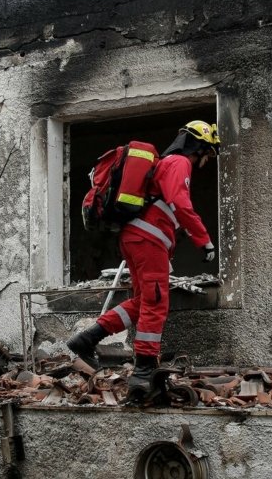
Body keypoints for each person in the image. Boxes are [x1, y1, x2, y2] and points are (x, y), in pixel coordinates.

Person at [67, 120, 220, 398]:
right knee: (156, 301)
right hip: (148, 241)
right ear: (198, 147)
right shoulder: (178, 163)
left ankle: (87, 339)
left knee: (142, 302)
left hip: (136, 239)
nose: (206, 161)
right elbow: (181, 203)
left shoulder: (165, 164)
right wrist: (204, 241)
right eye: (207, 154)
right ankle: (143, 372)